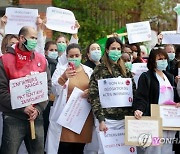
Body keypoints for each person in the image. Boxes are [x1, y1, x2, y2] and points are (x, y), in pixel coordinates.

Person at [0, 26, 51, 154]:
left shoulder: (41, 60)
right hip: (13, 118)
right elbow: (1, 91)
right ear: (22, 38)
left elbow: (47, 87)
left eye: (36, 38)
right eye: (32, 38)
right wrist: (22, 107)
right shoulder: (5, 60)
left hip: (36, 117)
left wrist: (38, 109)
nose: (34, 40)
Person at [88, 37, 136, 153]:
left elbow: (133, 92)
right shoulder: (99, 70)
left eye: (118, 49)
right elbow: (94, 97)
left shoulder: (126, 71)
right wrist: (101, 119)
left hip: (125, 121)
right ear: (107, 50)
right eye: (113, 48)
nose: (116, 51)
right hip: (107, 121)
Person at [46, 43, 93, 154]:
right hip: (65, 119)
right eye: (71, 56)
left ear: (81, 56)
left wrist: (90, 92)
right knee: (64, 148)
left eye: (77, 55)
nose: (74, 58)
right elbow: (54, 91)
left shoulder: (89, 71)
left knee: (79, 149)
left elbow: (96, 90)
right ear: (66, 57)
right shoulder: (60, 70)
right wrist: (64, 77)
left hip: (83, 119)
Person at [133, 47, 179, 154]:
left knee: (167, 149)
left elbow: (175, 96)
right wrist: (139, 109)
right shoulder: (146, 77)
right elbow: (141, 97)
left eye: (164, 59)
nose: (163, 61)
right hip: (154, 120)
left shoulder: (170, 77)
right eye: (160, 59)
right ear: (153, 61)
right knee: (154, 149)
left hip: (169, 121)